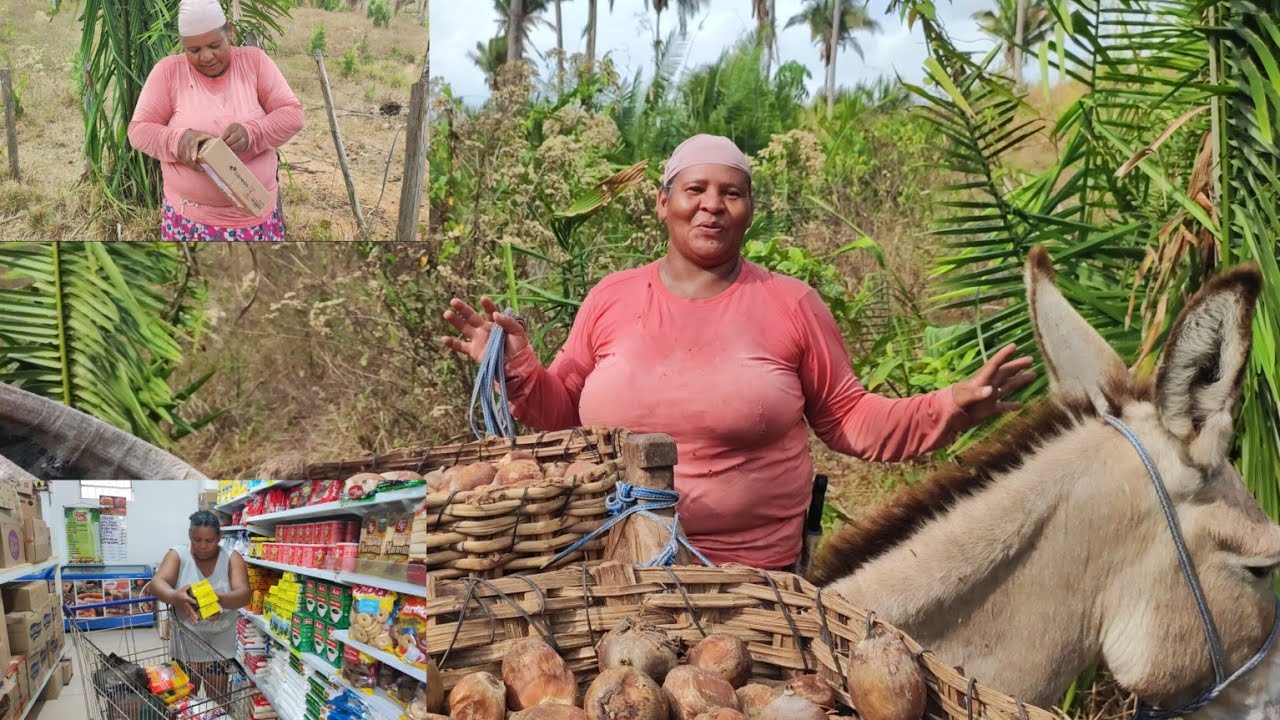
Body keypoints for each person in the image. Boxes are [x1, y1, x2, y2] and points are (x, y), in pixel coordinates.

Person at [441, 133, 1036, 571]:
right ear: (662, 202)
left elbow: (853, 419)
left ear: (749, 210)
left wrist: (950, 406)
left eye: (732, 192)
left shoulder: (791, 305)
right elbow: (562, 409)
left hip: (752, 578)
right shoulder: (612, 298)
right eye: (695, 189)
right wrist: (514, 364)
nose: (712, 205)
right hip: (611, 563)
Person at [127, 0, 304, 241]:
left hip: (253, 219)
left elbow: (292, 115)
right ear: (183, 45)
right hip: (189, 221)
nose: (206, 57)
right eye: (194, 50)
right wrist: (179, 141)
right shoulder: (168, 72)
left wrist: (252, 133)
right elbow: (139, 130)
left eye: (214, 45)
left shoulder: (255, 62)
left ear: (229, 31)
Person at [149, 510, 251, 698]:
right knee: (185, 700)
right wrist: (174, 596)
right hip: (186, 640)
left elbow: (245, 594)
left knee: (217, 698)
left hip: (219, 643)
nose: (203, 546)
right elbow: (156, 584)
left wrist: (219, 600)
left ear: (219, 537)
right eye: (197, 540)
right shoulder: (178, 555)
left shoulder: (231, 558)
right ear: (189, 536)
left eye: (209, 540)